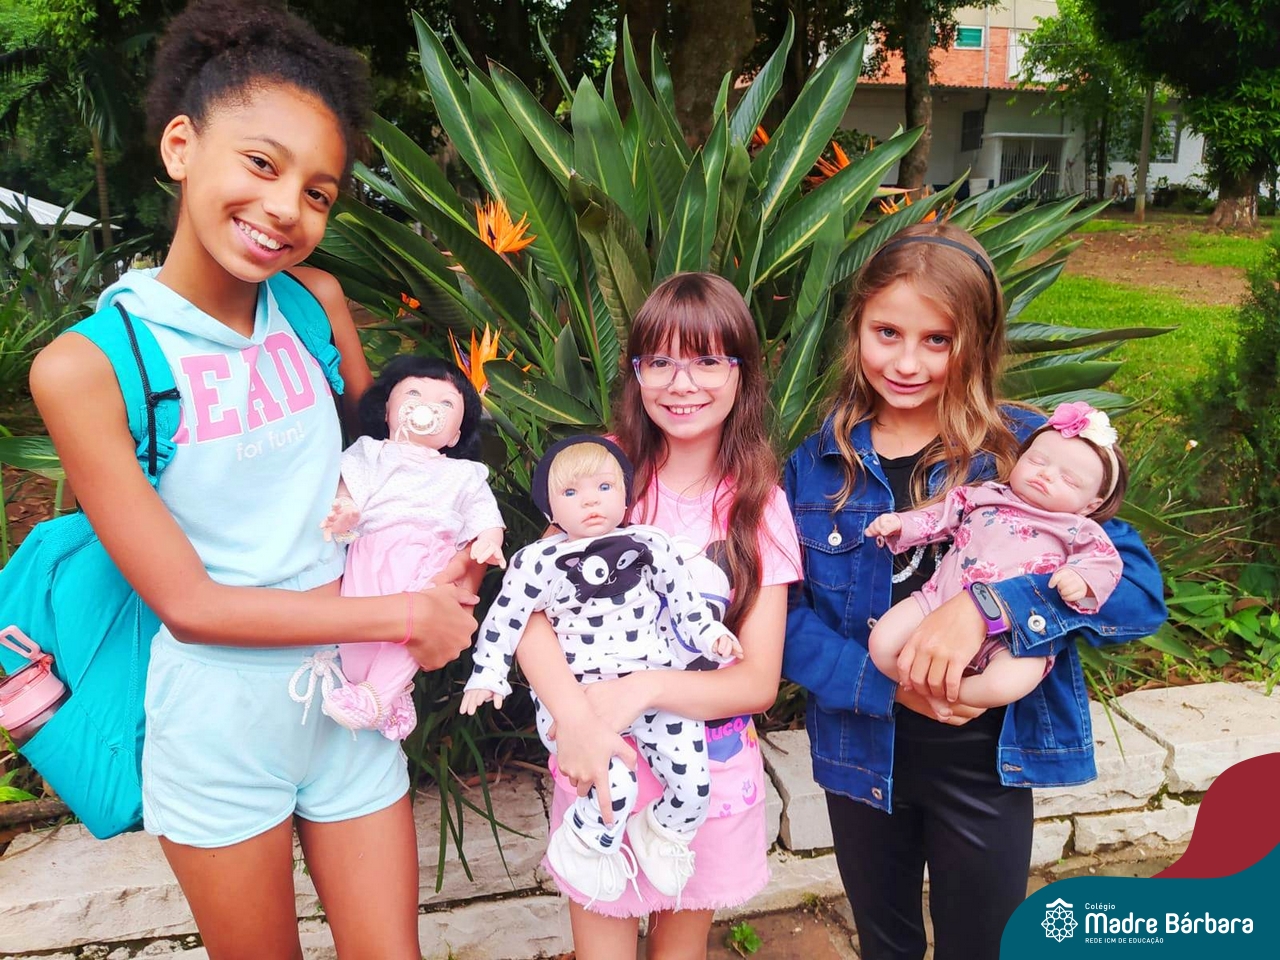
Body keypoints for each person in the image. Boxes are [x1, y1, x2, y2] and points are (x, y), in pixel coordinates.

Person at [27, 3, 479, 957]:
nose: (286, 209)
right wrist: (405, 615)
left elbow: (390, 475)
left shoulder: (313, 304)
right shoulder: (90, 366)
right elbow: (191, 606)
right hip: (219, 722)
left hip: (349, 700)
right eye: (262, 165)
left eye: (319, 193)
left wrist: (455, 566)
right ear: (181, 147)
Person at [783, 223, 1167, 960]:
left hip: (985, 761)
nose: (907, 362)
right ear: (857, 326)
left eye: (938, 340)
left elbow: (1137, 591)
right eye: (887, 332)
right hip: (864, 746)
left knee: (980, 942)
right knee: (885, 944)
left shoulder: (1028, 451)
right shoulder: (817, 465)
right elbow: (786, 615)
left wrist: (994, 607)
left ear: (979, 343)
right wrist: (888, 685)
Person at [509, 273, 803, 959]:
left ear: (742, 372)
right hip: (599, 760)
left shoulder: (757, 503)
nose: (682, 383)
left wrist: (639, 689)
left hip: (706, 777)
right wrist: (577, 719)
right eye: (660, 361)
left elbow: (756, 683)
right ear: (636, 372)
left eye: (708, 361)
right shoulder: (602, 474)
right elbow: (530, 614)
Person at [462, 435, 742, 905]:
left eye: (604, 487)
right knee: (615, 785)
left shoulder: (650, 543)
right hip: (580, 698)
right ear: (549, 507)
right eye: (571, 492)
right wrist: (488, 672)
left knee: (695, 784)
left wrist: (710, 635)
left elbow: (684, 602)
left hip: (656, 689)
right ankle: (585, 844)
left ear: (626, 494)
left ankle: (663, 831)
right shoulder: (537, 561)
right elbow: (507, 617)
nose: (590, 501)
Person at [864, 400, 1130, 714]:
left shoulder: (1079, 530)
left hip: (1012, 633)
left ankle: (958, 696)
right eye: (1037, 460)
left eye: (1069, 480)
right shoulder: (985, 494)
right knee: (882, 643)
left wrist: (1081, 579)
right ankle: (919, 689)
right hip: (938, 601)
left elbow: (1105, 563)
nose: (1046, 475)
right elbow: (941, 515)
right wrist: (901, 523)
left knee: (1008, 682)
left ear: (1091, 505)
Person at [320, 356, 504, 739]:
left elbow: (485, 515)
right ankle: (389, 695)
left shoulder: (463, 472)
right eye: (414, 393)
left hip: (430, 557)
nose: (427, 406)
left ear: (454, 436)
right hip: (370, 552)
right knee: (359, 631)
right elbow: (346, 490)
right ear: (387, 410)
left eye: (446, 402)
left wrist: (490, 540)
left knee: (416, 627)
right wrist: (344, 510)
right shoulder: (368, 452)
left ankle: (375, 696)